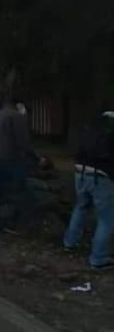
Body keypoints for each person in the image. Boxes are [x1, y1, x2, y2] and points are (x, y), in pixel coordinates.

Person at [63, 112, 114, 270]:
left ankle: (69, 243)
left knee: (81, 207)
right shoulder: (110, 136)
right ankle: (98, 258)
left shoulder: (87, 132)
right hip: (101, 177)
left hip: (80, 173)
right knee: (106, 219)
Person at [0, 97, 36, 235]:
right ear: (18, 104)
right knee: (21, 190)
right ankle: (13, 223)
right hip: (11, 158)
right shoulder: (16, 116)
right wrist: (33, 156)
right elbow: (23, 140)